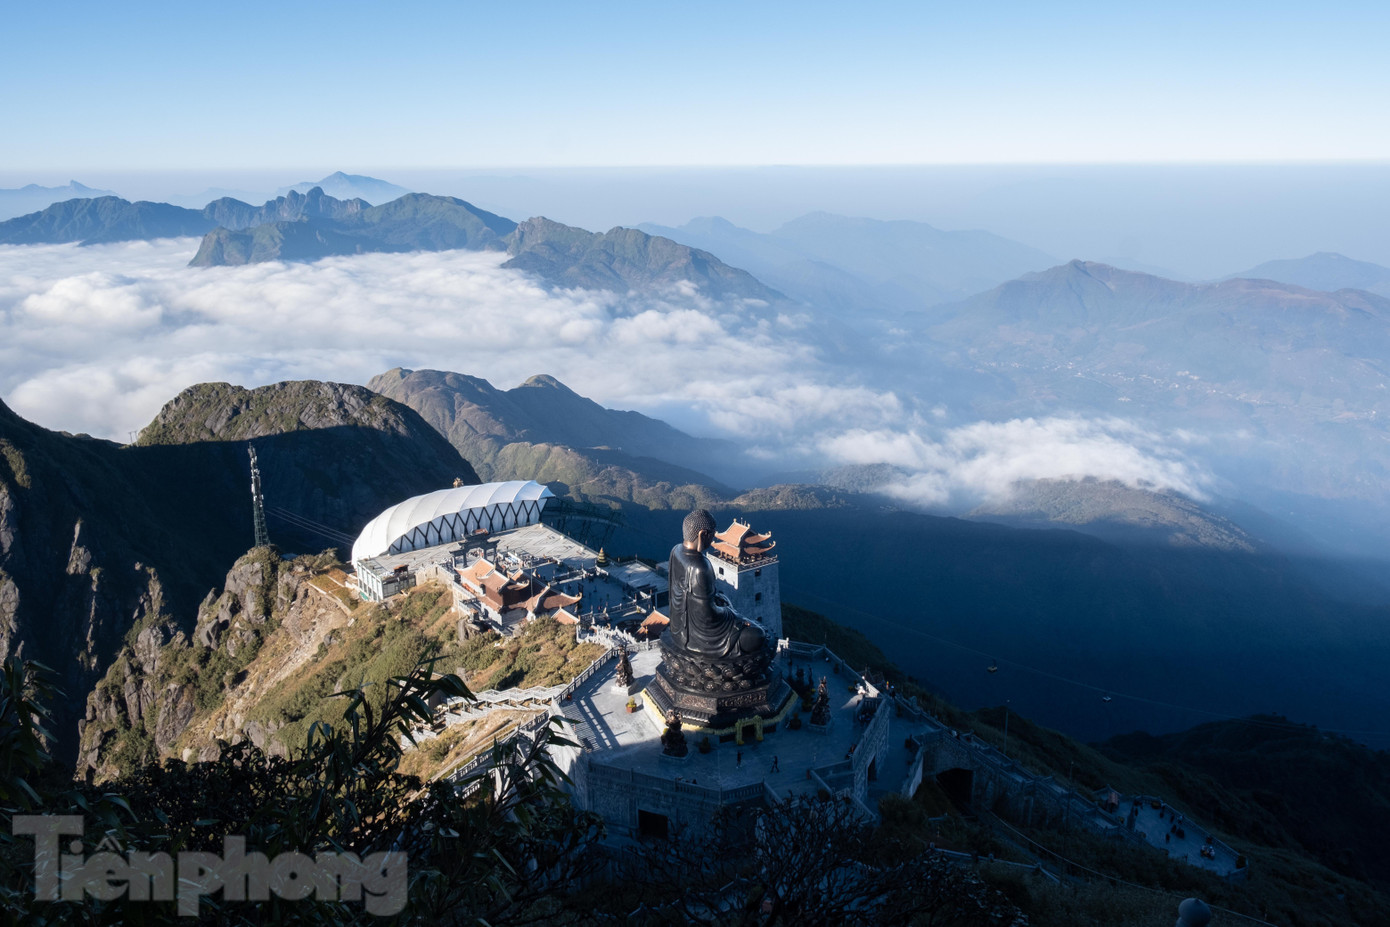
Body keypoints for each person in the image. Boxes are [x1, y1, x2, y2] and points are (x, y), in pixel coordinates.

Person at [667, 510, 765, 658]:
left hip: (678, 630)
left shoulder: (675, 550)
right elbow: (708, 616)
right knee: (758, 635)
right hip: (699, 639)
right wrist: (734, 616)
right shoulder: (701, 567)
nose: (713, 540)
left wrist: (716, 598)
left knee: (722, 597)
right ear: (702, 535)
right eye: (711, 535)